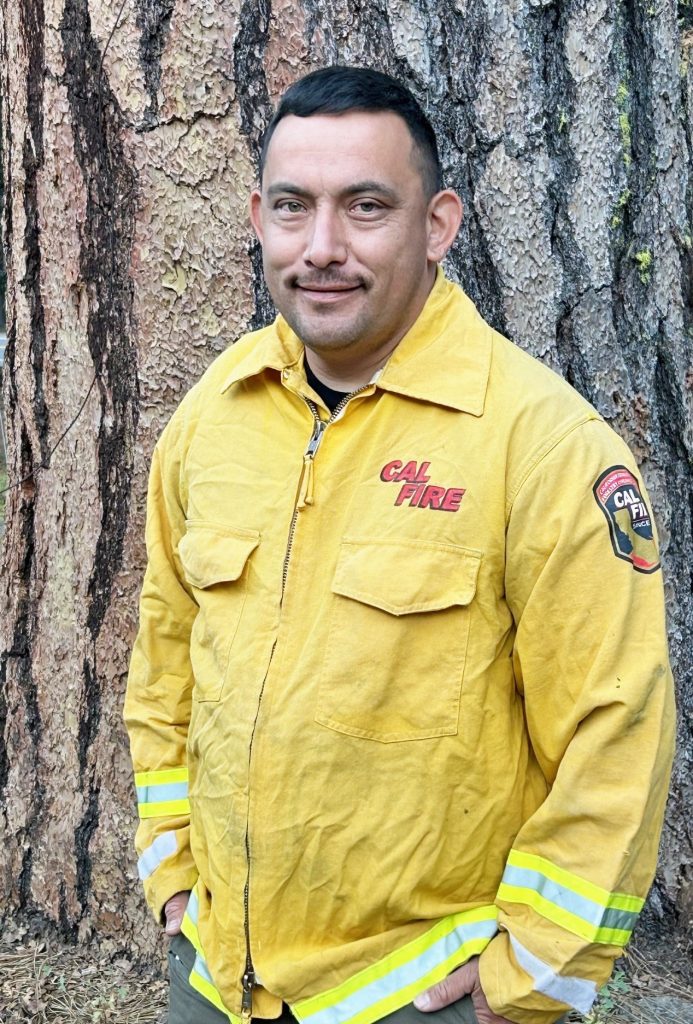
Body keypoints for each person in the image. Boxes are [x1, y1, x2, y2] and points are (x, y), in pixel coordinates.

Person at [124, 66, 675, 1024]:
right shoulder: (212, 418)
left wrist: (525, 984)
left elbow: (616, 730)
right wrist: (169, 863)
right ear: (257, 217)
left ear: (438, 224)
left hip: (421, 997)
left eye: (366, 206)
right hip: (212, 980)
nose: (322, 247)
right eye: (293, 207)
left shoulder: (541, 444)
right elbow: (166, 656)